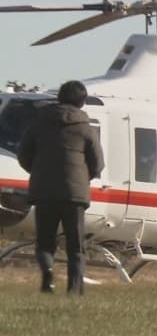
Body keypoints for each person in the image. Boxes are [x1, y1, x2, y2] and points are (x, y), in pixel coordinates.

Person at [17, 80, 105, 294]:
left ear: (59, 98)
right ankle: (74, 291)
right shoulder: (86, 129)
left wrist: (37, 173)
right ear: (82, 102)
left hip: (44, 192)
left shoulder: (38, 124)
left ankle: (48, 273)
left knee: (45, 243)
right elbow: (98, 163)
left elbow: (23, 156)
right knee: (75, 247)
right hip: (74, 195)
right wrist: (83, 178)